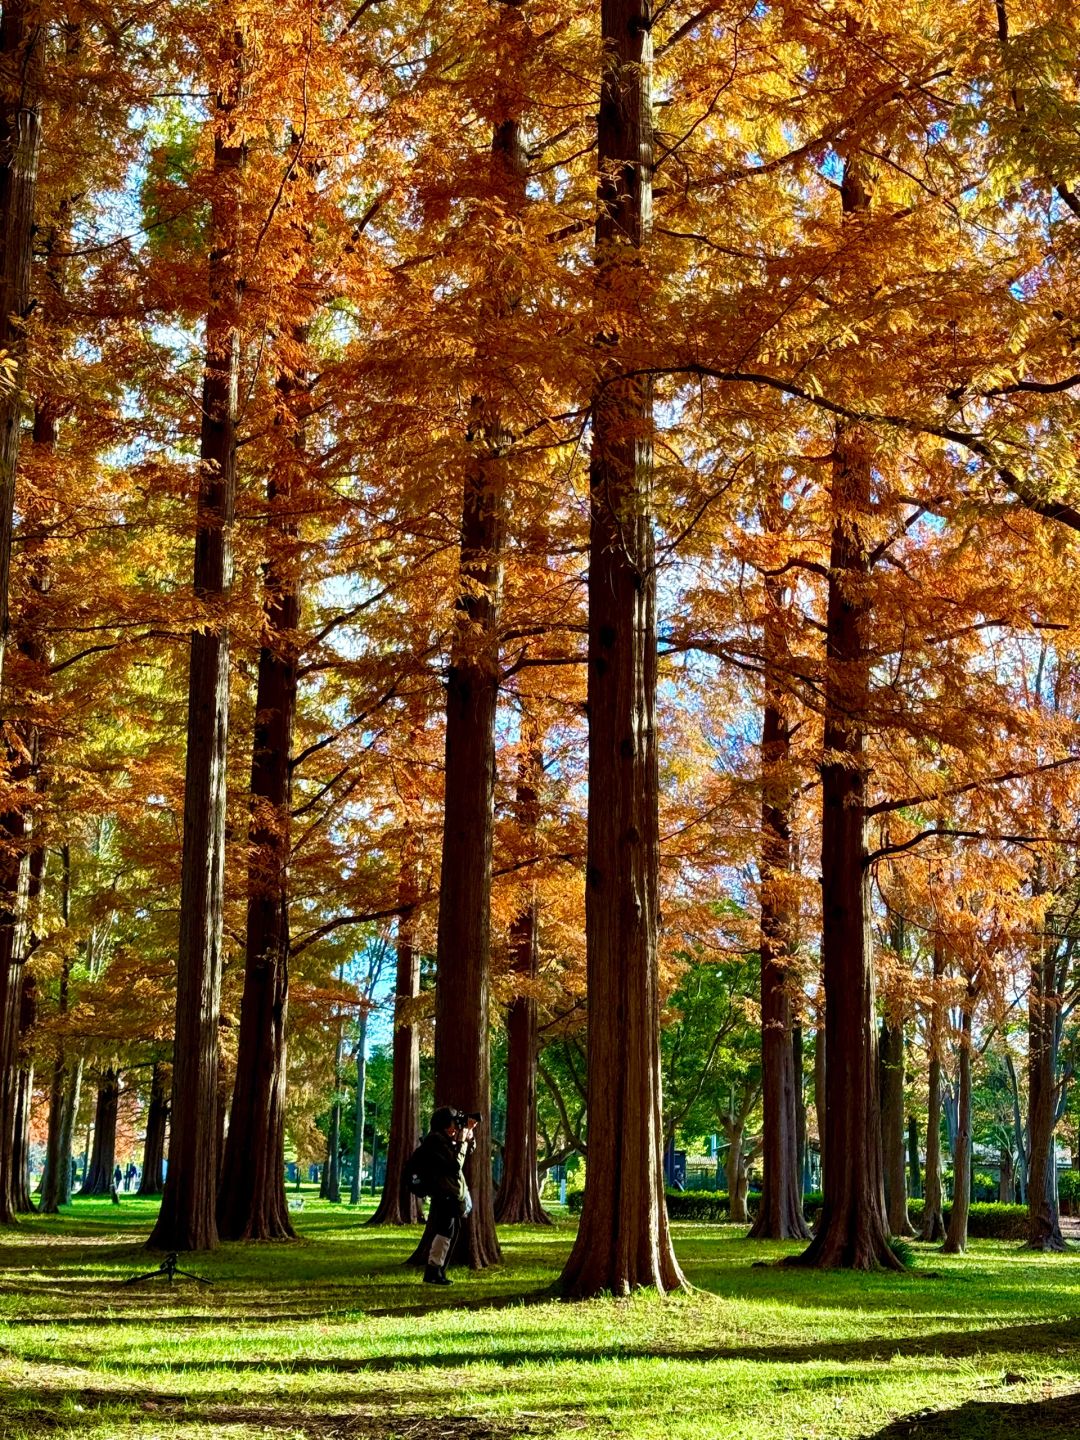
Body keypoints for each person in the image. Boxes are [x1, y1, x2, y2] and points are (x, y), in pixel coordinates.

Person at [413, 1107, 476, 1285]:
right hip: (444, 1194)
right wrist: (462, 1141)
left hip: (450, 1193)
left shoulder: (444, 1140)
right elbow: (454, 1165)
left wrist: (467, 1137)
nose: (456, 1126)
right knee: (445, 1231)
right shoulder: (435, 1141)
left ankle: (438, 1271)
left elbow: (463, 1156)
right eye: (453, 1122)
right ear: (444, 1123)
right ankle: (433, 1271)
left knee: (450, 1231)